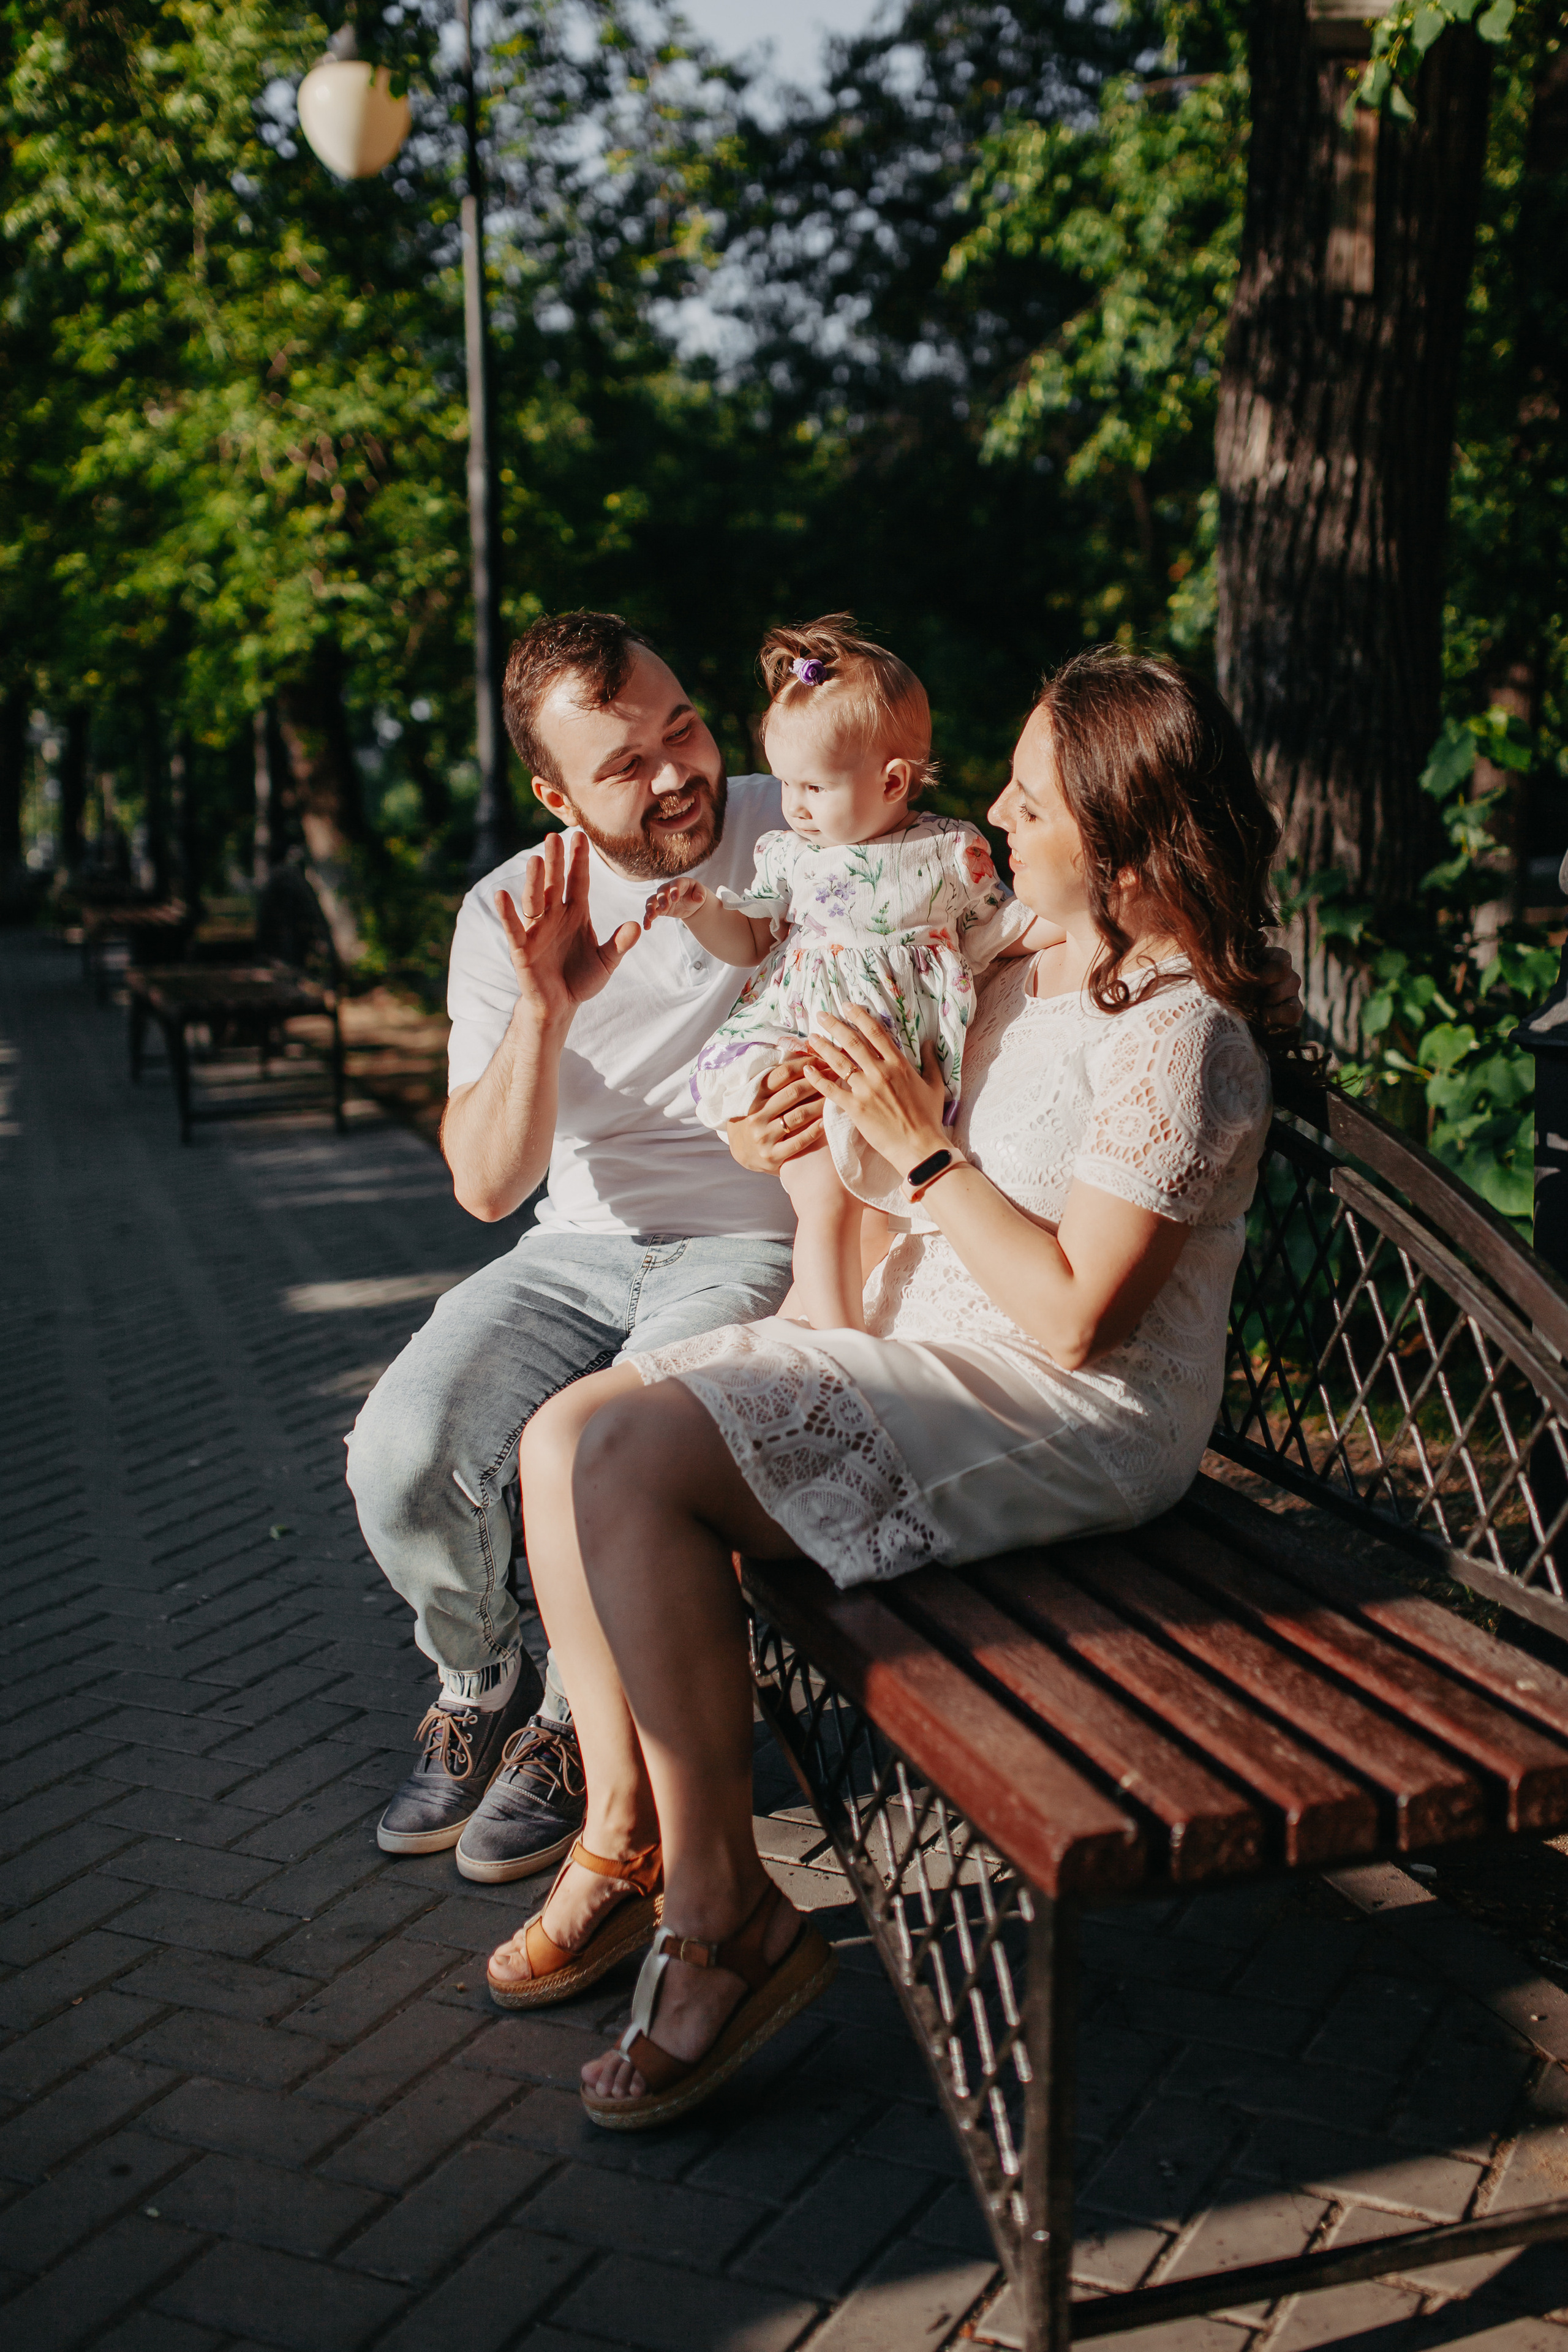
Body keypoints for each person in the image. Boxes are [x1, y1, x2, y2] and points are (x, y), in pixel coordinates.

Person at [481, 649, 1281, 2132]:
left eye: (1027, 798)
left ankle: (724, 1920)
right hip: (924, 1348)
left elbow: (1067, 1319)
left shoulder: (1186, 1034)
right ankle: (624, 1831)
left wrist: (919, 1150)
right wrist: (789, 1116)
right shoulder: (1010, 951)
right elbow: (855, 1083)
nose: (990, 810)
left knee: (627, 1460)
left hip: (1065, 1407)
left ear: (1115, 835)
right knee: (555, 1437)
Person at [347, 612, 826, 1880]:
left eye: (682, 728)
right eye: (624, 765)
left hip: (746, 1244)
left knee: (594, 1466)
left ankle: (571, 1723)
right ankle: (478, 1675)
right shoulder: (510, 907)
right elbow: (485, 1186)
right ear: (558, 795)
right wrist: (545, 1016)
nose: (676, 774)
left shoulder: (804, 821)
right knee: (398, 1458)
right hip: (574, 1250)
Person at [646, 615, 1056, 1329]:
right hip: (806, 1046)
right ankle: (832, 1345)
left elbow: (1005, 928)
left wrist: (1110, 919)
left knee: (862, 1208)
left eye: (811, 787)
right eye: (784, 783)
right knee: (823, 1198)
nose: (792, 805)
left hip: (886, 1063)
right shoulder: (791, 856)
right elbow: (749, 939)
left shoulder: (949, 853)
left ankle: (828, 1336)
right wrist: (698, 911)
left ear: (893, 780)